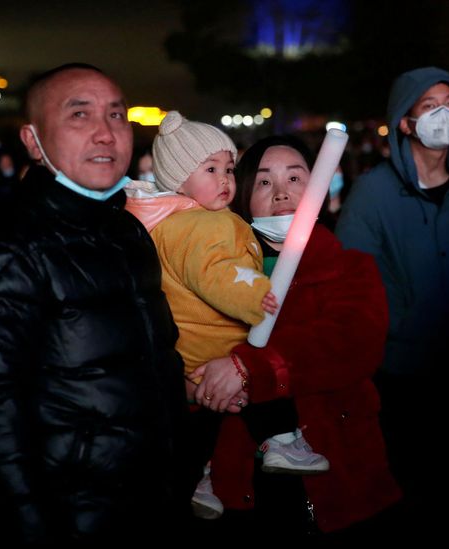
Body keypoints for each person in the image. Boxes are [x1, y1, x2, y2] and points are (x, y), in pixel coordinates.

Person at [0, 63, 185, 546]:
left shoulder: (127, 231)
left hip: (149, 504)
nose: (105, 133)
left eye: (117, 115)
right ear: (33, 140)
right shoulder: (4, 249)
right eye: (80, 115)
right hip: (69, 518)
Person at [193, 135, 400, 541]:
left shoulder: (351, 269)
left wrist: (249, 368)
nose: (282, 194)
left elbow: (349, 344)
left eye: (296, 177)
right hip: (234, 482)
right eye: (265, 182)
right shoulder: (211, 275)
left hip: (333, 472)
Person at [125, 112, 325, 519]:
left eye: (229, 169)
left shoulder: (169, 222)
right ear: (180, 180)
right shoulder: (207, 225)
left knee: (202, 427)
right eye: (211, 169)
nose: (224, 180)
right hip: (215, 344)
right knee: (254, 402)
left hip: (190, 355)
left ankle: (202, 477)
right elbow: (219, 275)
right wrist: (259, 298)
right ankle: (280, 441)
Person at [334, 67, 449, 506]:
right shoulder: (372, 194)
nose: (443, 114)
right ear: (405, 123)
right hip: (401, 374)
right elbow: (353, 280)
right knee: (411, 484)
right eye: (429, 106)